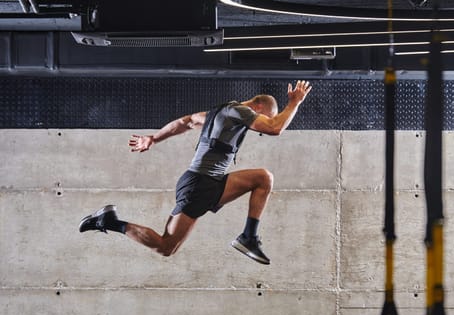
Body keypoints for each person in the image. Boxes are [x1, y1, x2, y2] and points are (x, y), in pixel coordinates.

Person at [79, 80, 312, 265]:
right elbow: (275, 128)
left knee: (168, 247)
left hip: (207, 182)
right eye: (262, 117)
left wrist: (153, 138)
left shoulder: (218, 114)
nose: (258, 125)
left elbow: (187, 121)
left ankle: (248, 237)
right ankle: (110, 222)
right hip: (199, 183)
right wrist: (295, 103)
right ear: (258, 107)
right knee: (165, 245)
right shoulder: (240, 111)